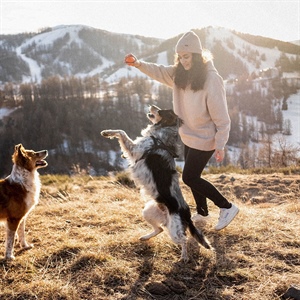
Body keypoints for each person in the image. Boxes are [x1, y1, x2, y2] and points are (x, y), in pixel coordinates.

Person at [124, 31, 239, 230]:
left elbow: (222, 117)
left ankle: (227, 207)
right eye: (180, 57)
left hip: (206, 137)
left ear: (197, 55)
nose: (184, 61)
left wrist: (220, 144)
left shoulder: (212, 79)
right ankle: (202, 213)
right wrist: (138, 64)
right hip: (188, 136)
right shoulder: (180, 74)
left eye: (187, 56)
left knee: (190, 177)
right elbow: (159, 71)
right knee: (192, 176)